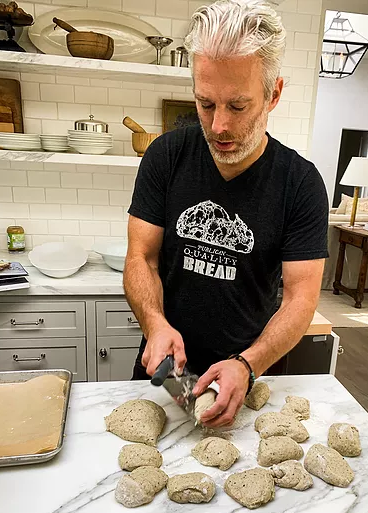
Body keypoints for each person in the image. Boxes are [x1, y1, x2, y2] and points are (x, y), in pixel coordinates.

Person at [124, 0, 329, 428]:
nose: (218, 126)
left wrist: (249, 363)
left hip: (249, 373)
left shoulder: (300, 184)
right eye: (205, 103)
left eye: (237, 106)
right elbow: (140, 257)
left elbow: (300, 299)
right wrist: (155, 323)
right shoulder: (166, 156)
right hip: (165, 372)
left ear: (273, 95)